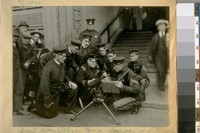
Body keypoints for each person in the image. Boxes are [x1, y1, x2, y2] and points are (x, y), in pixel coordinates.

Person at [27, 46, 78, 118]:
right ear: (57, 56)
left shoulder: (63, 64)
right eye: (63, 56)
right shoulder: (48, 68)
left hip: (58, 88)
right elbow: (44, 85)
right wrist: (47, 99)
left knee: (73, 88)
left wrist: (69, 81)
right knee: (50, 115)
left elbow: (64, 74)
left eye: (65, 56)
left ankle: (69, 109)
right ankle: (34, 106)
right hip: (49, 91)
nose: (65, 58)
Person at [149, 19, 169, 91]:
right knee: (160, 70)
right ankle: (161, 85)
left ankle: (161, 82)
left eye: (163, 25)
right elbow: (151, 47)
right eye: (160, 26)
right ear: (158, 28)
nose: (162, 27)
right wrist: (150, 55)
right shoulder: (155, 36)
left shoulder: (168, 35)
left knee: (164, 71)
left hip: (166, 57)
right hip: (157, 57)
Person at [13, 26, 28, 115]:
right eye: (13, 36)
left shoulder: (16, 44)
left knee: (19, 88)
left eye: (16, 36)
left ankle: (17, 108)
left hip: (18, 69)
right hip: (10, 70)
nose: (15, 38)